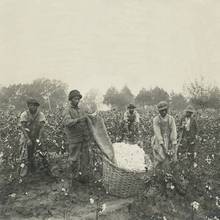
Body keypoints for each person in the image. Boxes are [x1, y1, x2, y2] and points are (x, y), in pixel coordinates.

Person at [62, 90, 91, 185]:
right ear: (70, 99)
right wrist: (78, 120)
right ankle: (72, 178)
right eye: (75, 98)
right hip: (74, 138)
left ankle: (83, 177)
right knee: (73, 158)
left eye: (78, 99)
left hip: (83, 137)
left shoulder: (81, 109)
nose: (77, 100)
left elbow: (87, 119)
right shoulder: (67, 110)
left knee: (85, 158)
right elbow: (67, 122)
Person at [19, 98, 48, 177]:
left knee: (42, 150)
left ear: (37, 107)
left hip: (37, 134)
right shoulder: (24, 114)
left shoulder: (40, 114)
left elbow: (42, 127)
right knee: (25, 152)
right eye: (31, 106)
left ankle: (45, 167)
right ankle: (24, 170)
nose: (33, 107)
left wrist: (39, 138)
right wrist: (28, 139)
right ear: (28, 106)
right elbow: (22, 127)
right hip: (26, 135)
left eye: (35, 106)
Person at [152, 101, 178, 171]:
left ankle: (170, 172)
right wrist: (164, 148)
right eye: (161, 111)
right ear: (159, 111)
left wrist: (173, 147)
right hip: (159, 141)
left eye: (165, 110)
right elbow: (157, 133)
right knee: (160, 157)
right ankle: (158, 172)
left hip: (169, 139)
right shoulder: (156, 119)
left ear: (167, 110)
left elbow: (174, 131)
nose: (163, 112)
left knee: (173, 157)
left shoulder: (171, 119)